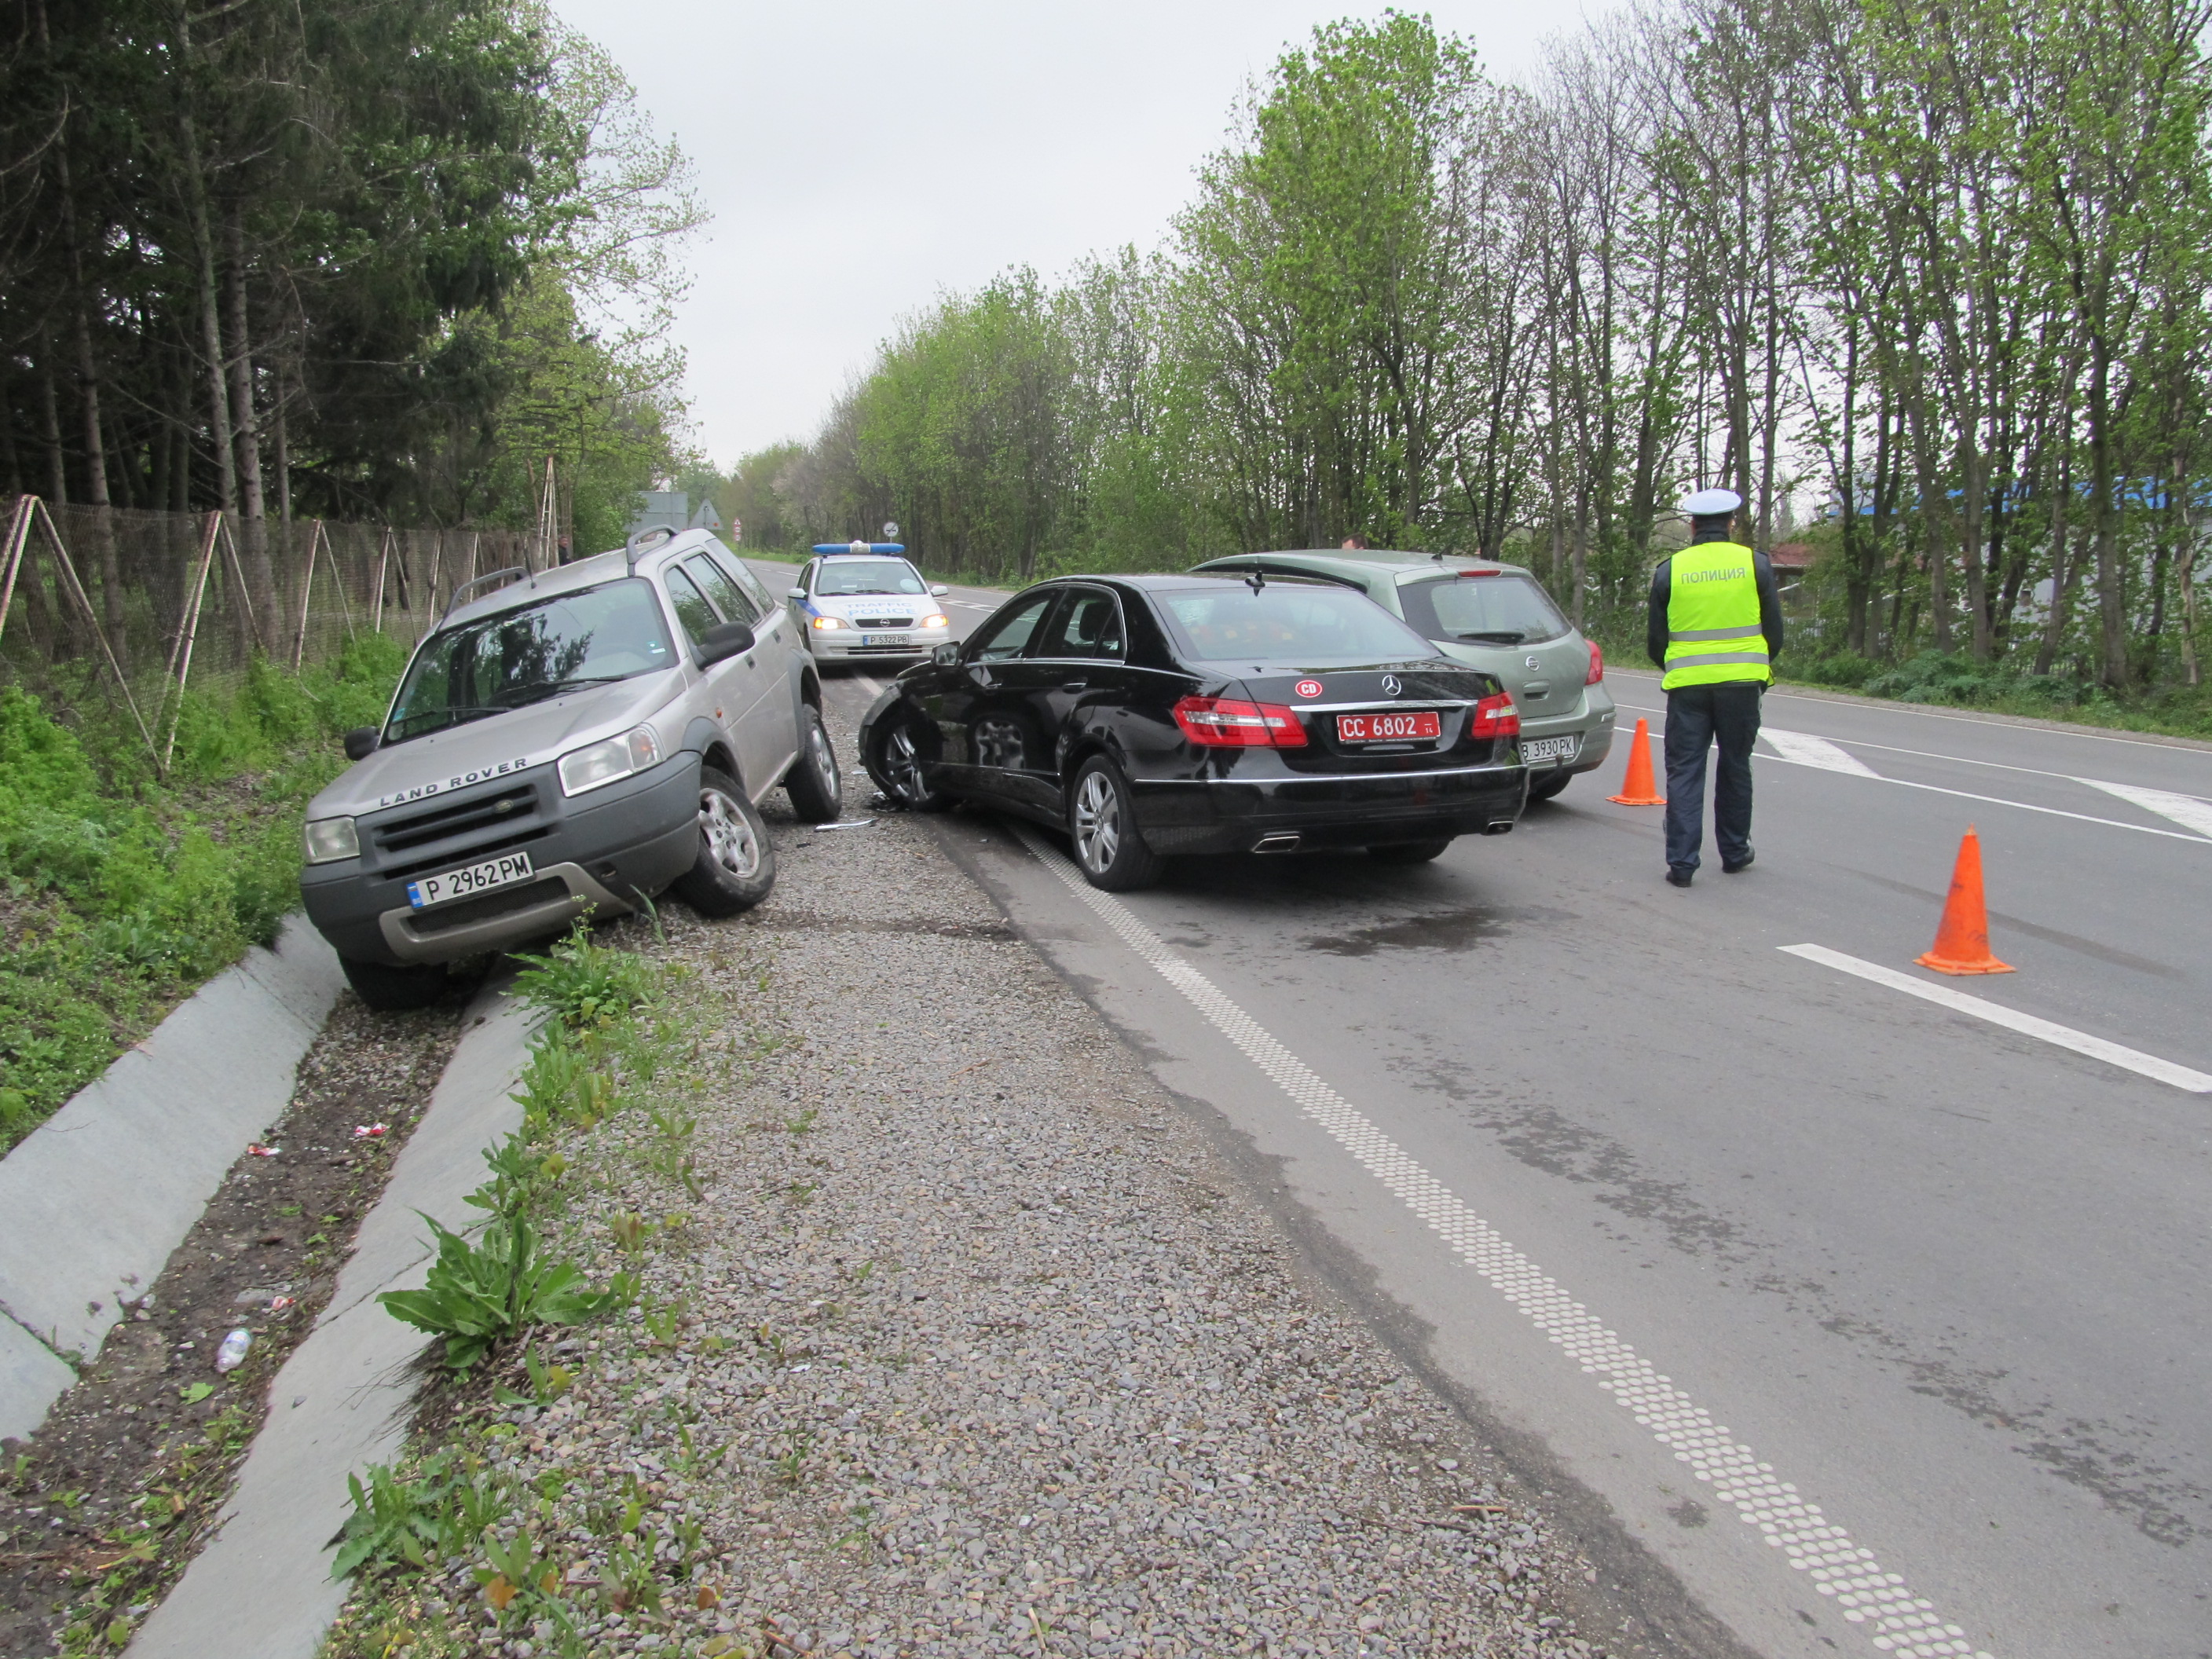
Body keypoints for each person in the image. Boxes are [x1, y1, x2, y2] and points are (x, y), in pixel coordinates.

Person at [1645, 487, 1784, 887]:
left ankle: (1683, 865)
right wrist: (1754, 667)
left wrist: (1679, 666)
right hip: (1742, 685)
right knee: (1736, 765)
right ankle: (1735, 852)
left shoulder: (1670, 570)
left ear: (1692, 525)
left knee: (1686, 770)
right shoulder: (1754, 564)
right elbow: (1774, 631)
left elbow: (1657, 641)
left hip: (1688, 687)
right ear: (1731, 523)